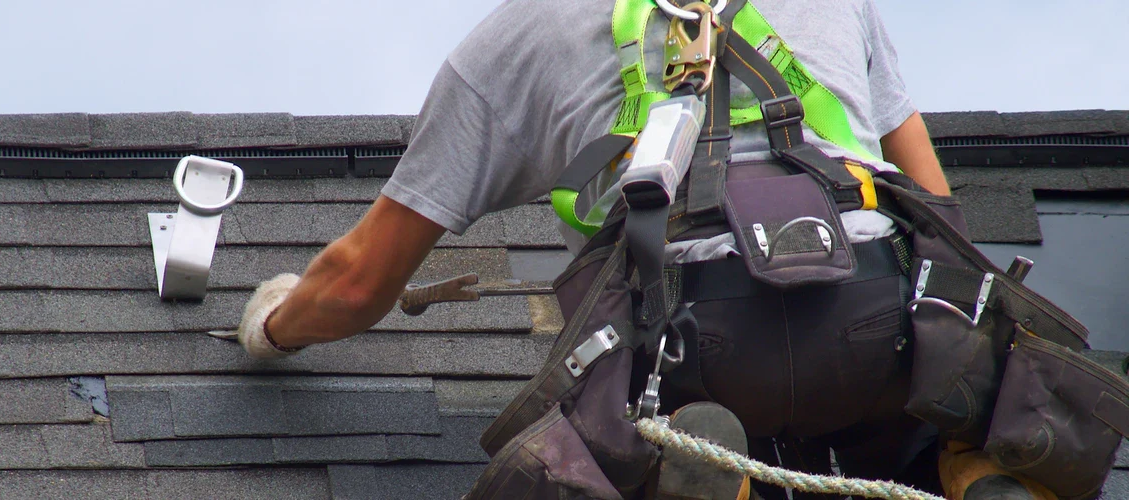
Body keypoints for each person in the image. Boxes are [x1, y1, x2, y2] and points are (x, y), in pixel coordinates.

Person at [228, 1, 1057, 498]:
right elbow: (942, 216)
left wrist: (270, 327)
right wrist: (981, 362)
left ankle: (697, 475)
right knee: (931, 401)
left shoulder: (518, 38)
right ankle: (971, 466)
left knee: (598, 451)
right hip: (881, 327)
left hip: (695, 347)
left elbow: (359, 282)